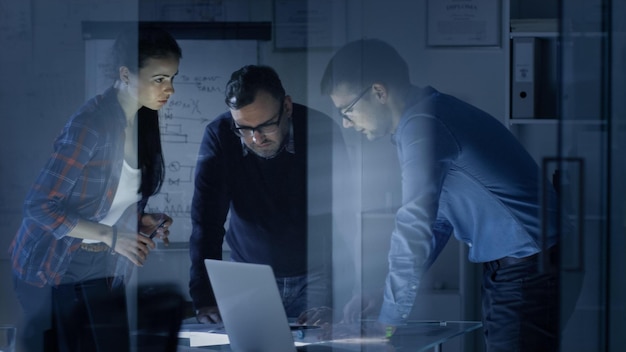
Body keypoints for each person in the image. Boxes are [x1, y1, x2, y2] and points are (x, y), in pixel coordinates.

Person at [320, 38, 579, 351]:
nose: (346, 124)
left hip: (528, 269)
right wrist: (384, 295)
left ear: (378, 92)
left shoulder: (423, 124)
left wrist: (387, 322)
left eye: (347, 110)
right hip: (525, 266)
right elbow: (437, 221)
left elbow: (413, 225)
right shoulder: (426, 115)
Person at [9, 25, 179, 352]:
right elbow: (39, 206)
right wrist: (112, 235)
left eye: (173, 78)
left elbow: (110, 198)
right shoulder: (93, 124)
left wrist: (137, 222)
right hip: (51, 266)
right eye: (160, 79)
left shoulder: (144, 121)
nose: (170, 89)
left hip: (101, 266)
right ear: (126, 74)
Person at [189, 64, 350, 324]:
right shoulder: (220, 135)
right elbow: (206, 222)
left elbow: (345, 219)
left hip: (316, 279)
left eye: (265, 125)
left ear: (287, 106)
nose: (256, 138)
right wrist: (205, 297)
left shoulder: (322, 131)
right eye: (244, 128)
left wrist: (343, 294)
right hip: (248, 276)